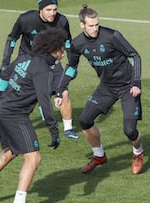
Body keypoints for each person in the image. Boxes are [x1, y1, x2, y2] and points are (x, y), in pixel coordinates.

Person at [0, 28, 65, 203]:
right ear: (55, 48)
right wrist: (54, 131)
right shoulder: (44, 70)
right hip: (15, 115)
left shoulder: (25, 57)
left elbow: (5, 75)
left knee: (12, 150)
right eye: (62, 48)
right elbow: (45, 104)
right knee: (34, 158)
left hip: (0, 109)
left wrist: (2, 98)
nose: (64, 52)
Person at [54, 4, 144, 175]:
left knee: (130, 131)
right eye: (91, 25)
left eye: (97, 24)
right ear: (82, 25)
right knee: (85, 120)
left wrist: (136, 82)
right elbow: (72, 67)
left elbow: (134, 56)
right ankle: (99, 155)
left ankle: (138, 152)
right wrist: (60, 89)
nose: (95, 28)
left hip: (127, 86)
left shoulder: (112, 36)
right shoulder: (77, 44)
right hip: (107, 87)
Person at [0, 0, 79, 139]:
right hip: (27, 58)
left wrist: (72, 64)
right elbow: (12, 39)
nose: (52, 13)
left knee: (63, 90)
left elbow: (68, 42)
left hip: (51, 59)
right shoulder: (25, 19)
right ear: (40, 9)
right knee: (16, 94)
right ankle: (6, 127)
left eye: (55, 9)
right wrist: (5, 62)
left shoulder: (62, 21)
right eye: (48, 10)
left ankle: (68, 129)